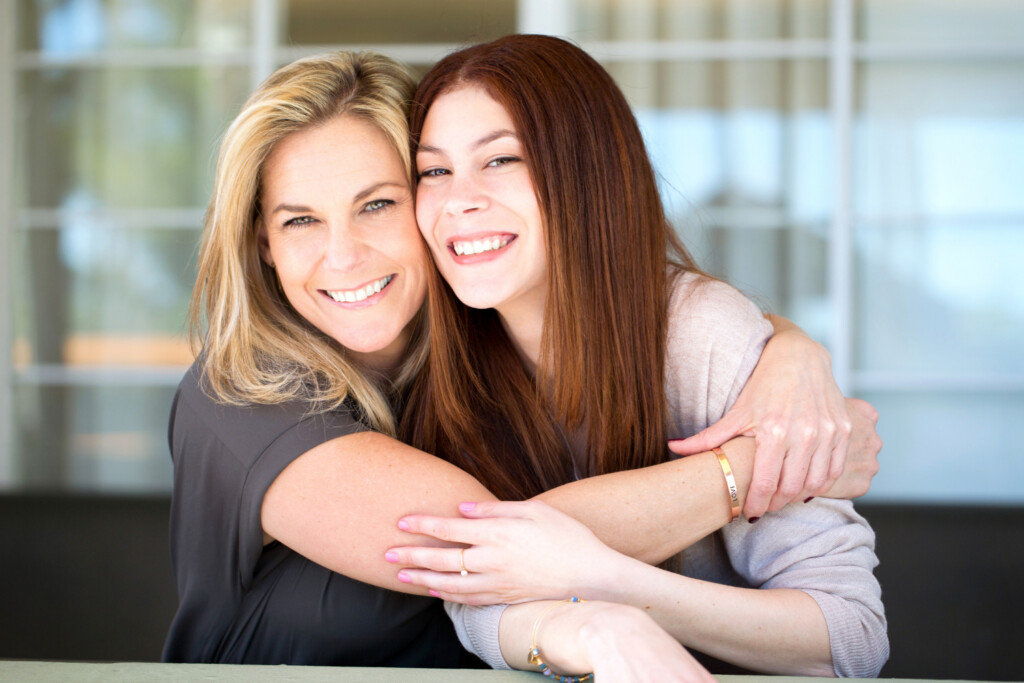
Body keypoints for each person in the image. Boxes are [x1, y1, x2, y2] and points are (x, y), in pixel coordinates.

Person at [163, 48, 878, 676]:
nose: (343, 253)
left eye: (379, 203)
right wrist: (761, 465)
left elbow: (850, 636)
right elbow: (489, 554)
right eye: (300, 220)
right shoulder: (244, 396)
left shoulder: (464, 345)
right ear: (259, 241)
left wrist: (789, 349)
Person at [388, 34, 888, 678]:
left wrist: (601, 579)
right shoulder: (429, 357)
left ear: (590, 170)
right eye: (434, 170)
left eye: (502, 159)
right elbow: (473, 587)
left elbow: (851, 636)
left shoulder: (700, 335)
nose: (459, 199)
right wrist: (598, 620)